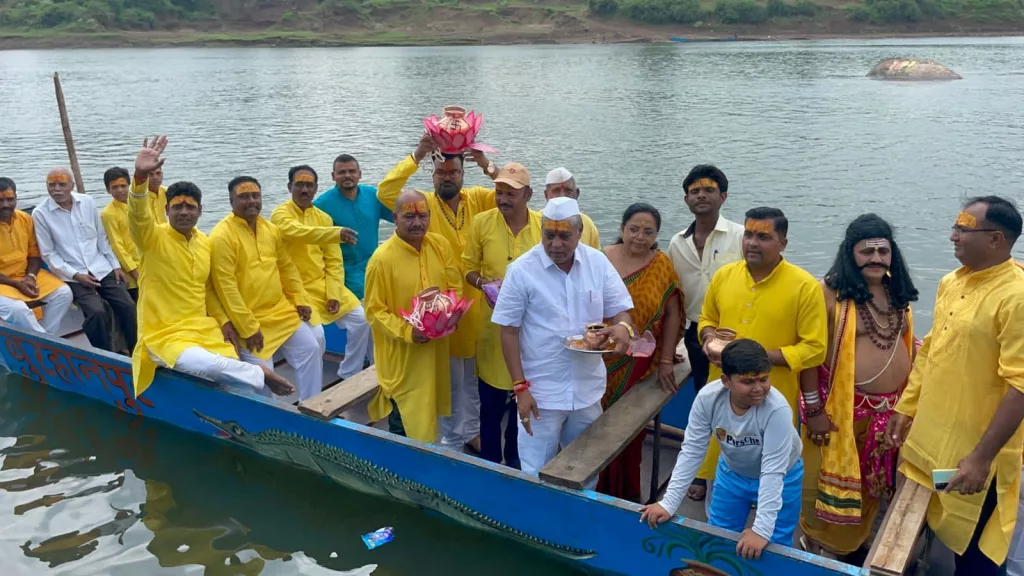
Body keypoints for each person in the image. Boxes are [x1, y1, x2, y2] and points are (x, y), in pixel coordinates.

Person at [887, 196, 1024, 575]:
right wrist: (907, 407)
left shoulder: (1016, 296)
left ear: (996, 239)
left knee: (975, 554)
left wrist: (981, 458)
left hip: (975, 453)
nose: (953, 236)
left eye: (963, 229)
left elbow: (1020, 387)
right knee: (922, 526)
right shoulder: (952, 283)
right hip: (929, 444)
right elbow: (931, 352)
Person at [125, 136, 294, 398]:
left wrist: (224, 321)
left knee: (241, 381)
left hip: (204, 328)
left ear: (200, 211)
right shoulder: (151, 238)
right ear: (167, 210)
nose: (184, 212)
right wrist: (139, 178)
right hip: (164, 334)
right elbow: (137, 216)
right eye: (177, 207)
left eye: (190, 207)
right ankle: (262, 374)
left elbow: (208, 289)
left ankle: (266, 418)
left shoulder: (204, 243)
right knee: (205, 365)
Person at [492, 197, 636, 485]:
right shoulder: (521, 271)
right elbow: (508, 331)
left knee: (585, 468)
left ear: (580, 232)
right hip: (540, 393)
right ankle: (536, 526)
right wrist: (520, 388)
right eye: (549, 235)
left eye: (564, 236)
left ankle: (577, 523)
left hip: (588, 389)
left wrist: (623, 328)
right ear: (541, 232)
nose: (556, 244)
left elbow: (621, 310)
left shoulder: (597, 263)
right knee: (535, 471)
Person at [798, 214, 918, 559]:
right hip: (840, 412)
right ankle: (819, 545)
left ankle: (857, 543)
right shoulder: (829, 292)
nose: (877, 258)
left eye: (884, 250)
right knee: (824, 483)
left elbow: (900, 339)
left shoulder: (896, 289)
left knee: (871, 485)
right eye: (868, 251)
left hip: (890, 413)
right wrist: (815, 410)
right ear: (851, 253)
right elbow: (810, 355)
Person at [695, 207, 827, 507]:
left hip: (773, 398)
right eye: (749, 235)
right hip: (724, 394)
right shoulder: (725, 275)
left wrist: (756, 358)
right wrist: (708, 340)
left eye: (764, 237)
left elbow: (815, 348)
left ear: (783, 243)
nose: (753, 243)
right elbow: (706, 319)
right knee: (720, 477)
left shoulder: (804, 286)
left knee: (772, 480)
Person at [378, 133, 497, 453]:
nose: (447, 177)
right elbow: (386, 192)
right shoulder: (423, 205)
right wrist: (416, 154)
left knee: (472, 377)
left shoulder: (477, 200)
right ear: (432, 176)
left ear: (462, 174)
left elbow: (509, 193)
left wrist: (487, 166)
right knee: (449, 380)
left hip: (475, 302)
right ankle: (450, 438)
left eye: (453, 172)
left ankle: (471, 430)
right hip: (439, 308)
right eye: (441, 172)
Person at [640, 339, 805, 560]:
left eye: (763, 379)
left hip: (784, 476)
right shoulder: (708, 398)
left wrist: (762, 530)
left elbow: (773, 471)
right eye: (747, 381)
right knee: (717, 539)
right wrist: (668, 503)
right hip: (732, 474)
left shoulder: (778, 410)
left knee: (775, 547)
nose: (758, 389)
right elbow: (692, 449)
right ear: (725, 380)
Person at [598, 203, 683, 502]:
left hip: (637, 361)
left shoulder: (660, 265)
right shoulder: (600, 258)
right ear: (622, 229)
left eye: (648, 232)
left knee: (629, 431)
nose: (639, 236)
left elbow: (673, 314)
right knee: (594, 427)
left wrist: (666, 359)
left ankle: (625, 495)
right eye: (633, 229)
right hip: (597, 357)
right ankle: (595, 490)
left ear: (656, 235)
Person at [364, 189, 463, 443]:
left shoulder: (439, 245)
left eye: (422, 216)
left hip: (436, 348)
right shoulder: (381, 260)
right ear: (394, 218)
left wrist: (451, 312)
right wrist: (408, 331)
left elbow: (454, 284)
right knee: (405, 416)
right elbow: (374, 312)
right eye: (409, 217)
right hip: (403, 356)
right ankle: (403, 468)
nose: (417, 223)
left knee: (433, 407)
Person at [210, 176, 322, 401]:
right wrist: (248, 327)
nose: (251, 201)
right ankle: (272, 419)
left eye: (255, 196)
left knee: (311, 347)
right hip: (249, 320)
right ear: (231, 201)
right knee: (262, 376)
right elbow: (226, 287)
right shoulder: (221, 236)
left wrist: (300, 299)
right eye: (244, 197)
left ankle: (313, 405)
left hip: (280, 312)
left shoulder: (270, 229)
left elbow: (287, 268)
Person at [462, 162, 540, 468]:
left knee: (525, 402)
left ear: (528, 195)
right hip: (492, 329)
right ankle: (491, 465)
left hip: (531, 331)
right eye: (499, 191)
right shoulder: (482, 223)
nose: (503, 198)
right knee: (491, 406)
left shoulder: (542, 226)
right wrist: (484, 284)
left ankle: (517, 464)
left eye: (511, 193)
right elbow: (467, 268)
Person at [271, 165, 373, 383]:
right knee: (316, 339)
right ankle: (310, 388)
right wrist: (335, 233)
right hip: (292, 290)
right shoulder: (280, 214)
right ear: (290, 187)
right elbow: (296, 233)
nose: (305, 190)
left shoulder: (324, 218)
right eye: (299, 184)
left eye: (309, 185)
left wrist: (334, 293)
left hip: (322, 285)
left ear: (316, 188)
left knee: (362, 320)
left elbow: (334, 262)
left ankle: (349, 373)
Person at [32, 167, 137, 354]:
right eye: (52, 185)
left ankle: (135, 348)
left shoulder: (87, 202)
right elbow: (49, 254)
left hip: (100, 267)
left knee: (127, 304)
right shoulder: (41, 214)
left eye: (62, 184)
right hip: (71, 274)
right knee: (96, 312)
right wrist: (76, 275)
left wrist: (114, 265)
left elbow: (101, 239)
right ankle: (106, 354)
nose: (56, 189)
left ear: (71, 186)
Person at [668, 165, 744, 394]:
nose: (701, 195)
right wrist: (668, 347)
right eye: (695, 191)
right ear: (686, 199)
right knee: (706, 392)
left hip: (737, 330)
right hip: (696, 333)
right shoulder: (678, 243)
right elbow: (673, 296)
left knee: (742, 391)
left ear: (723, 197)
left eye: (709, 190)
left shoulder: (741, 236)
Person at [312, 153, 393, 301]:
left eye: (352, 171)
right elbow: (314, 244)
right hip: (345, 274)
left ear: (359, 174)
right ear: (333, 176)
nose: (347, 175)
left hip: (375, 267)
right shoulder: (321, 205)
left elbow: (400, 218)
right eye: (342, 172)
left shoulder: (373, 196)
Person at [0, 177, 73, 335]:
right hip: (3, 282)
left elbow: (34, 254)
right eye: (0, 200)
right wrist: (17, 284)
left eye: (10, 199)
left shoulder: (24, 219)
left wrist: (31, 277)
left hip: (24, 275)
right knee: (18, 310)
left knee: (64, 293)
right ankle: (48, 343)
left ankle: (45, 337)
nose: (5, 205)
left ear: (16, 198)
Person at [100, 167, 142, 301]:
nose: (120, 191)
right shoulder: (109, 214)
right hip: (131, 270)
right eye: (115, 187)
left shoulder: (137, 205)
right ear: (108, 190)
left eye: (123, 186)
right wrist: (134, 271)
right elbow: (117, 245)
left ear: (129, 185)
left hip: (147, 263)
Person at [543, 167, 601, 249]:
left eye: (568, 191)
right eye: (556, 191)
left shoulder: (587, 224)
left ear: (577, 194)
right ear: (546, 195)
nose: (562, 196)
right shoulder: (535, 222)